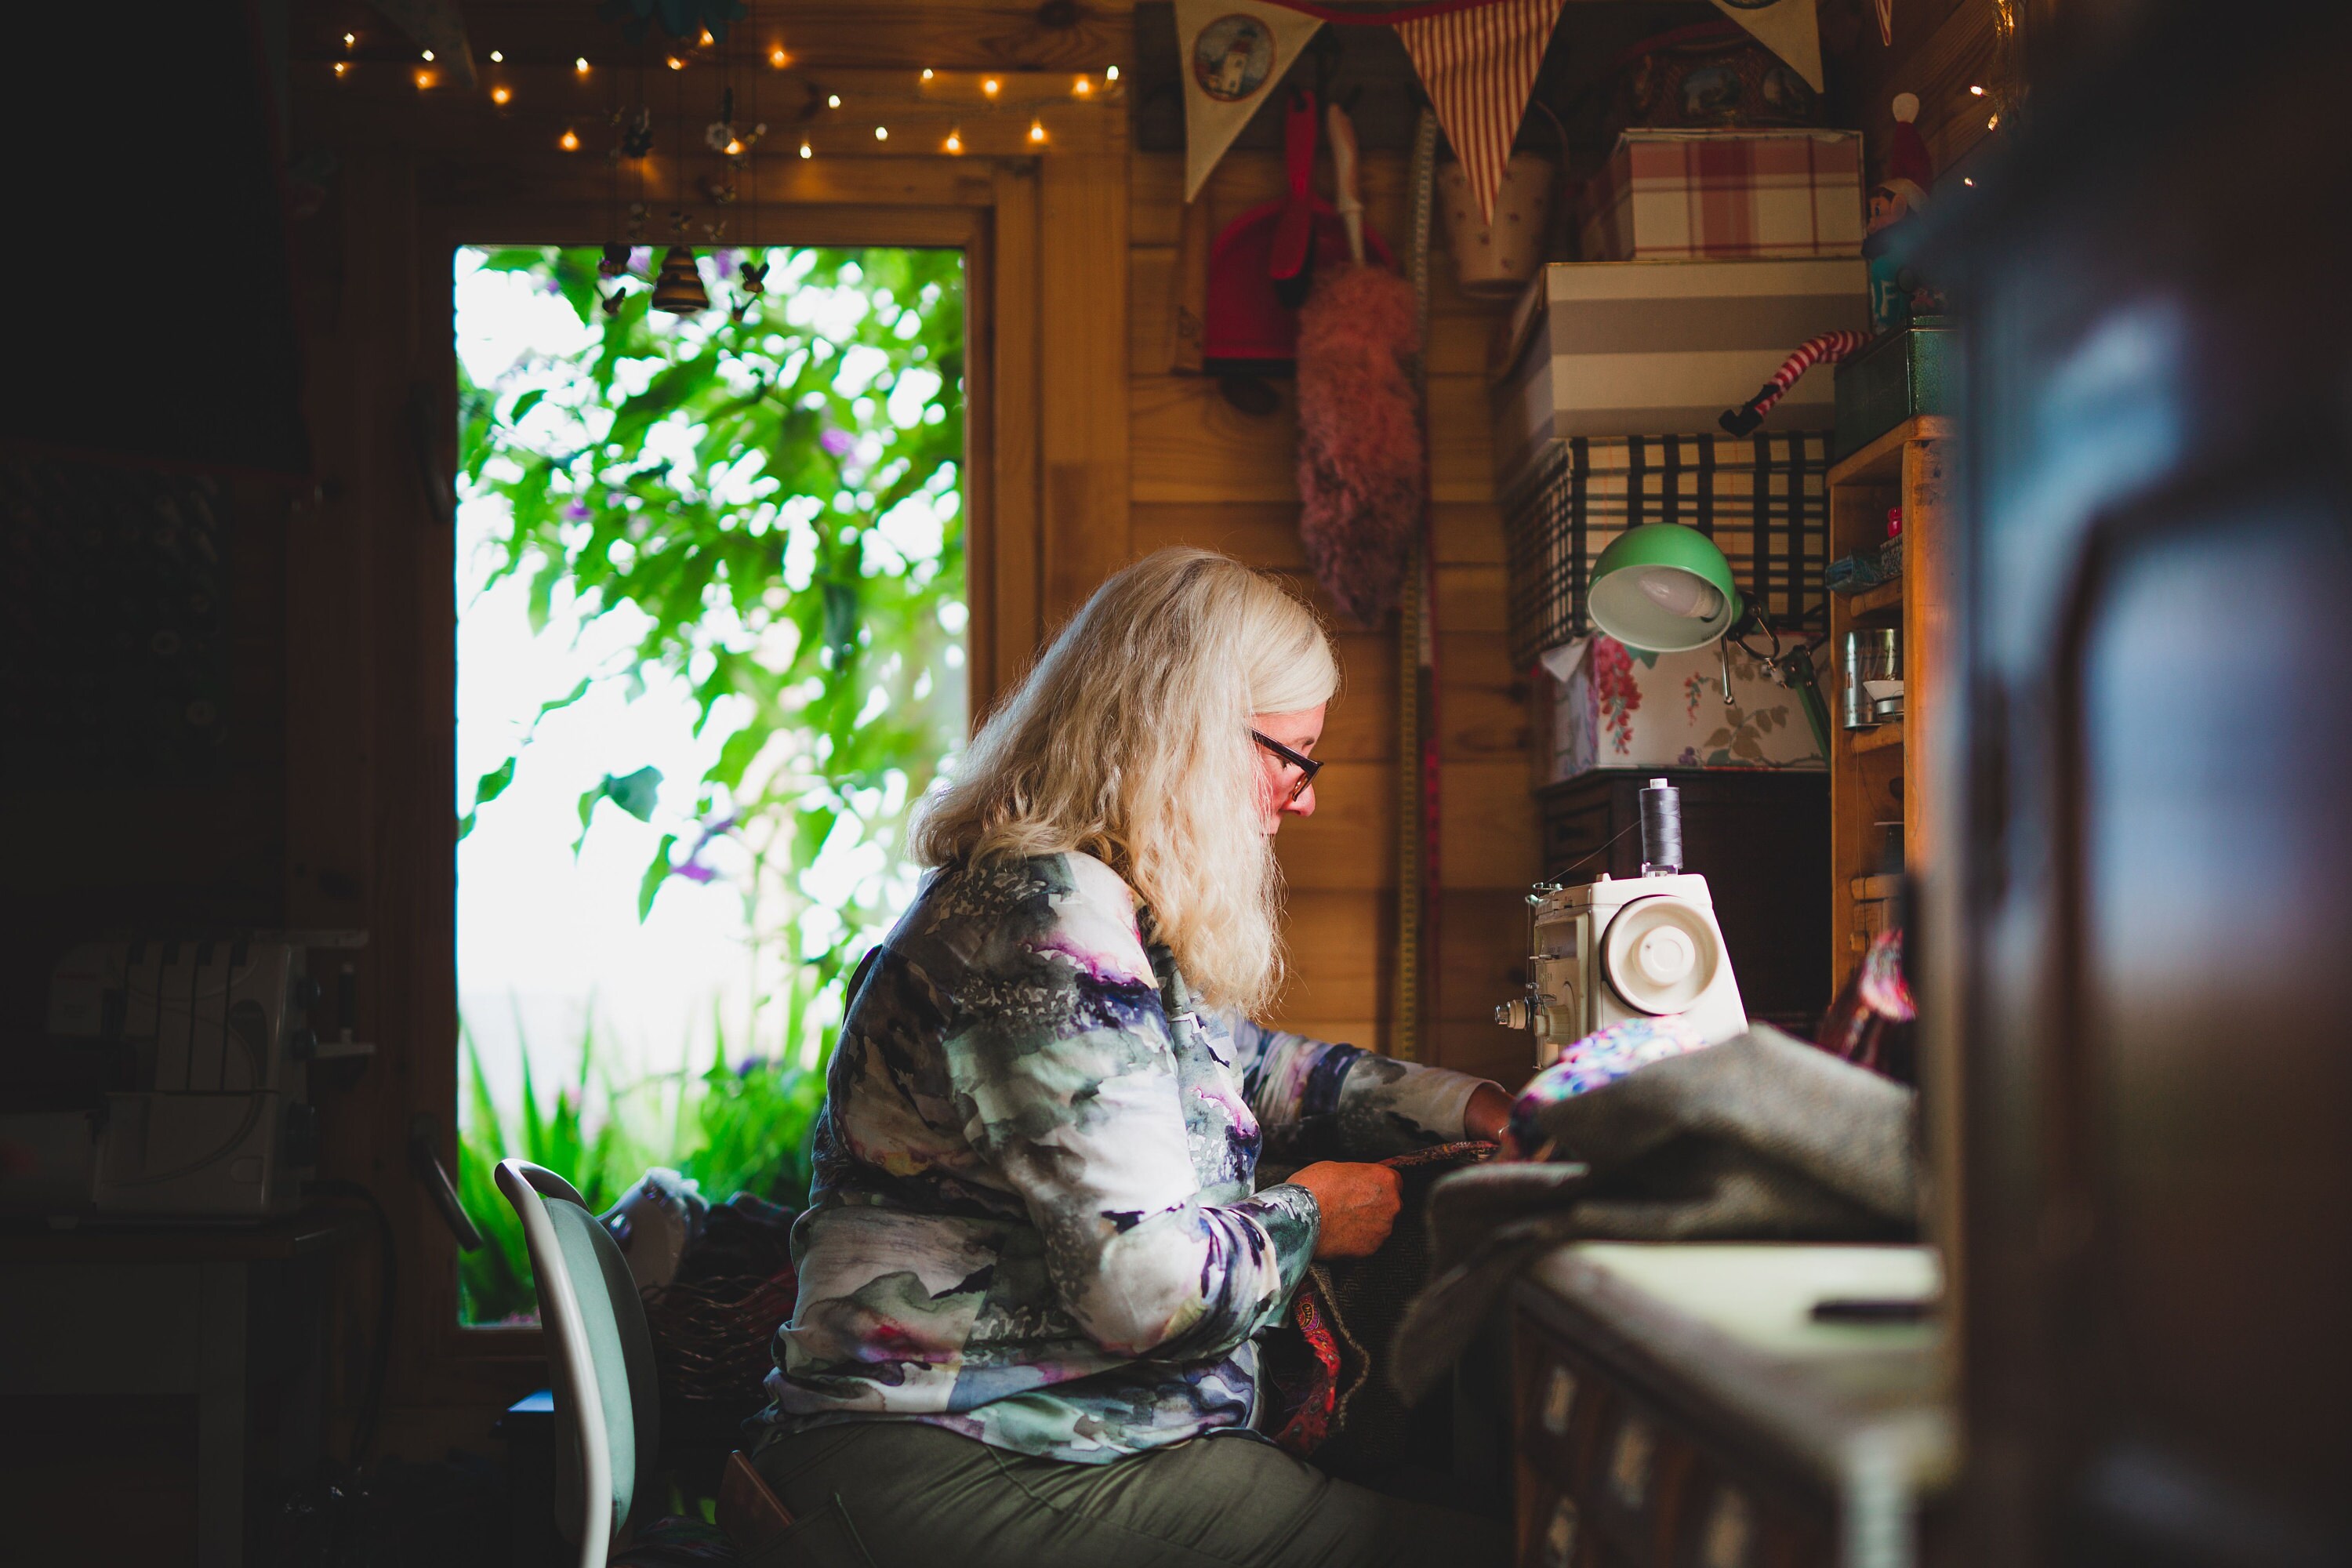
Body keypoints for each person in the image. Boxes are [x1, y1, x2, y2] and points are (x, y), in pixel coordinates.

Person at [753, 549, 1515, 1566]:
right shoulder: (1042, 928)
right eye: (1293, 755)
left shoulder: (1095, 907)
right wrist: (1311, 1218)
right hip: (958, 1454)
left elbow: (1252, 1069)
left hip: (1045, 1437)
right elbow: (1141, 1285)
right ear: (1193, 737)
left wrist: (1475, 1109)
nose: (1302, 798)